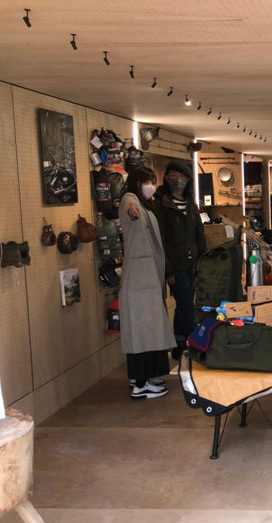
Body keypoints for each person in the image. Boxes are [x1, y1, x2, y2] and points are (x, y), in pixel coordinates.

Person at [118, 167, 176, 399]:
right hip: (140, 281)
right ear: (136, 182)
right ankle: (141, 384)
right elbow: (129, 208)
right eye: (147, 181)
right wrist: (132, 211)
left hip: (147, 279)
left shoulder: (146, 205)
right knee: (142, 332)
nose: (151, 186)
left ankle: (145, 378)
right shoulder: (130, 199)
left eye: (153, 181)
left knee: (148, 331)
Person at [154, 160, 207, 359]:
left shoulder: (191, 205)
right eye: (174, 176)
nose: (178, 180)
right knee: (186, 305)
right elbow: (160, 240)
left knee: (183, 304)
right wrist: (167, 269)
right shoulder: (161, 206)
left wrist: (204, 259)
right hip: (175, 265)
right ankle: (197, 345)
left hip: (192, 263)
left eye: (182, 176)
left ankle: (178, 344)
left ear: (188, 180)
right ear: (167, 178)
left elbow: (199, 234)